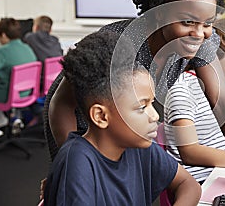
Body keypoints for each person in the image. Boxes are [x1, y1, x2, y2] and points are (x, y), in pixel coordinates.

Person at [46, 0, 225, 189]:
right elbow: (61, 104)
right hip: (81, 122)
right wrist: (70, 164)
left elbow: (223, 104)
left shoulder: (201, 39)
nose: (199, 33)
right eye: (187, 21)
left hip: (124, 125)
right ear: (159, 13)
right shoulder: (121, 42)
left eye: (208, 22)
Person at [44, 31, 201, 205]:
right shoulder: (77, 164)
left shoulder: (138, 144)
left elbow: (188, 184)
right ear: (101, 116)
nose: (155, 116)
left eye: (151, 103)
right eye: (142, 107)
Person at [0, 18, 37, 143]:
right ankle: (13, 117)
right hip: (27, 94)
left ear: (3, 35)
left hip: (9, 96)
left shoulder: (3, 51)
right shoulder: (27, 47)